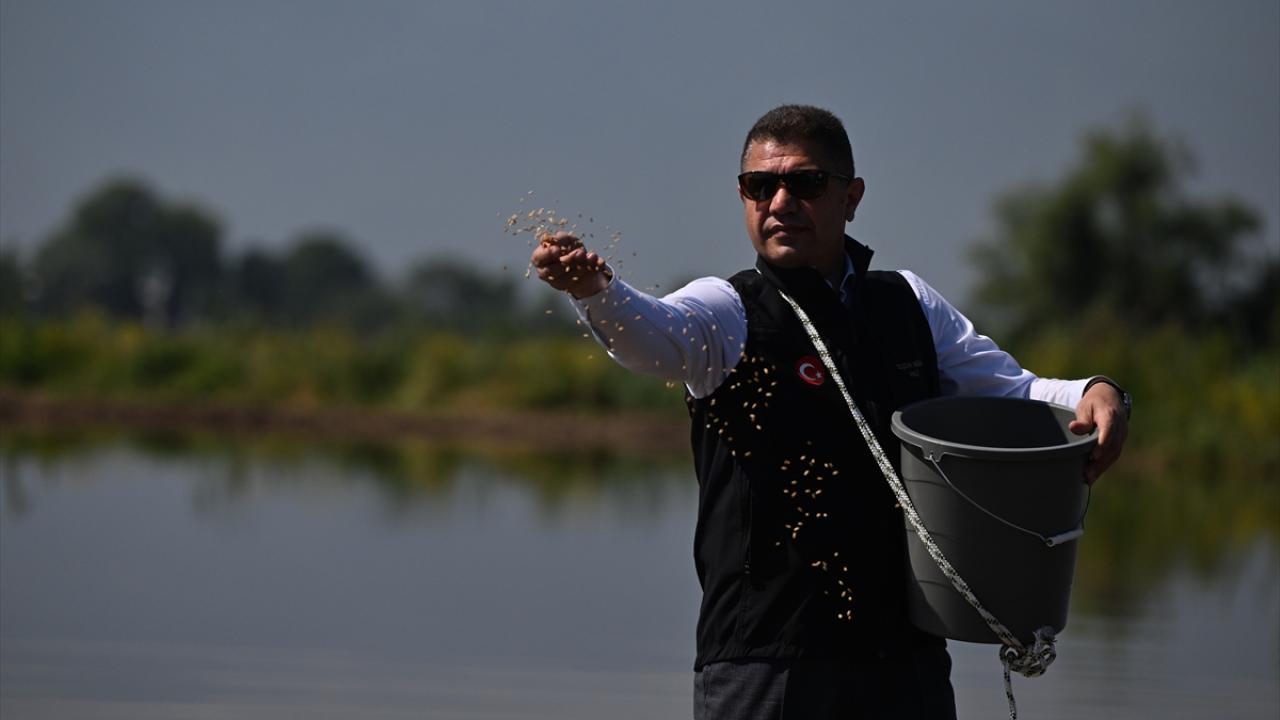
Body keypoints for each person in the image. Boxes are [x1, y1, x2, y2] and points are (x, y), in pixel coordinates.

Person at [529, 104, 1131, 720]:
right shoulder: (727, 309)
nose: (780, 202)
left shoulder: (908, 303)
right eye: (760, 185)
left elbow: (1017, 392)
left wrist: (1097, 392)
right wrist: (595, 292)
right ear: (743, 196)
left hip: (906, 661)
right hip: (766, 664)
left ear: (852, 197)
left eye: (806, 183)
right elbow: (654, 336)